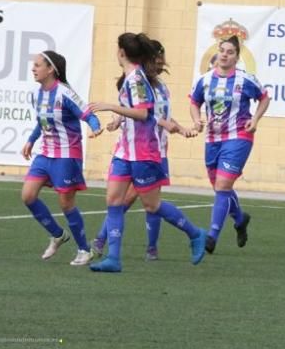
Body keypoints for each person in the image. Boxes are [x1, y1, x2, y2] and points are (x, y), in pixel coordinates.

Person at [88, 33, 207, 272]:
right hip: (124, 151)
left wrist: (111, 106)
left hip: (144, 151)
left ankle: (195, 234)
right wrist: (117, 118)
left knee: (152, 205)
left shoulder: (137, 81)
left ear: (121, 52)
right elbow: (135, 112)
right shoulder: (131, 78)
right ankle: (113, 258)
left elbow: (144, 114)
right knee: (113, 201)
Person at [20, 50, 102, 265]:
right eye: (34, 65)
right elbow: (42, 121)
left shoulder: (65, 93)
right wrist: (30, 140)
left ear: (51, 69)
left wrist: (95, 127)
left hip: (67, 155)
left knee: (66, 204)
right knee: (28, 196)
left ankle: (85, 250)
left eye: (38, 65)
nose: (33, 69)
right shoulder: (36, 94)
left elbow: (88, 115)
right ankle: (57, 234)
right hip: (45, 154)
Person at [189, 35, 270, 254]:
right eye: (222, 50)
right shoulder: (204, 80)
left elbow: (264, 98)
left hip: (238, 137)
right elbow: (194, 101)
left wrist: (255, 119)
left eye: (230, 52)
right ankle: (240, 219)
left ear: (236, 57)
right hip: (212, 139)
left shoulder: (245, 79)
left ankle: (212, 235)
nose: (224, 54)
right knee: (220, 187)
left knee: (223, 186)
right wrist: (196, 120)